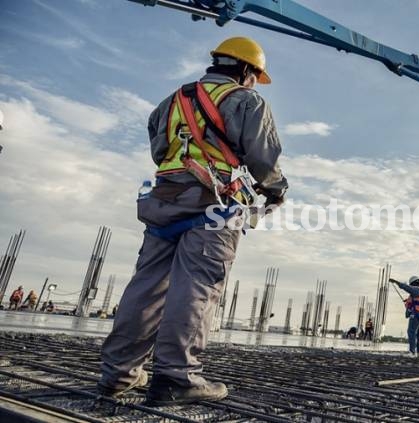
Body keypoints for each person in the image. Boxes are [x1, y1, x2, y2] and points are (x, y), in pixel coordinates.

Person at [98, 36, 287, 405]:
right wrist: (277, 190)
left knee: (147, 287)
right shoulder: (247, 101)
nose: (253, 82)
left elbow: (158, 150)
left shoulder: (171, 101)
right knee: (197, 287)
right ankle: (175, 377)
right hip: (213, 205)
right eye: (254, 76)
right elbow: (263, 159)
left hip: (164, 201)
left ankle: (118, 374)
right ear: (246, 70)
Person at [390, 276, 419, 357]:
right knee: (418, 333)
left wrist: (396, 282)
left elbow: (407, 288)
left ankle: (412, 352)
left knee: (411, 332)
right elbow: (416, 301)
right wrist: (409, 302)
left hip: (416, 313)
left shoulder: (417, 289)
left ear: (414, 283)